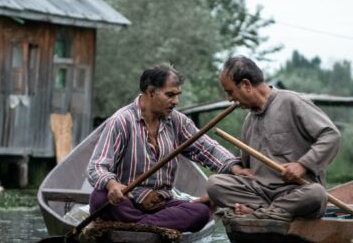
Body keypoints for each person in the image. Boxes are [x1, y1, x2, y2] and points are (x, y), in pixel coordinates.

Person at [87, 64, 250, 232]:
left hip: (161, 205)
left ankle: (139, 224)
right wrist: (112, 184)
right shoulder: (121, 121)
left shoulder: (177, 121)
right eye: (170, 95)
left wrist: (234, 168)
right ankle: (149, 225)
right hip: (128, 202)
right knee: (99, 198)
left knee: (200, 212)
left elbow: (207, 149)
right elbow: (97, 167)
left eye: (177, 95)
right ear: (151, 92)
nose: (176, 101)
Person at [206, 56, 341, 222]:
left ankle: (260, 212)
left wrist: (302, 165)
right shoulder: (249, 121)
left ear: (246, 85)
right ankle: (268, 211)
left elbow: (331, 135)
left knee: (317, 194)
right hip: (260, 194)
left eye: (230, 92)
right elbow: (245, 165)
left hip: (295, 192)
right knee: (214, 184)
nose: (229, 99)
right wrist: (238, 169)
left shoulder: (292, 102)